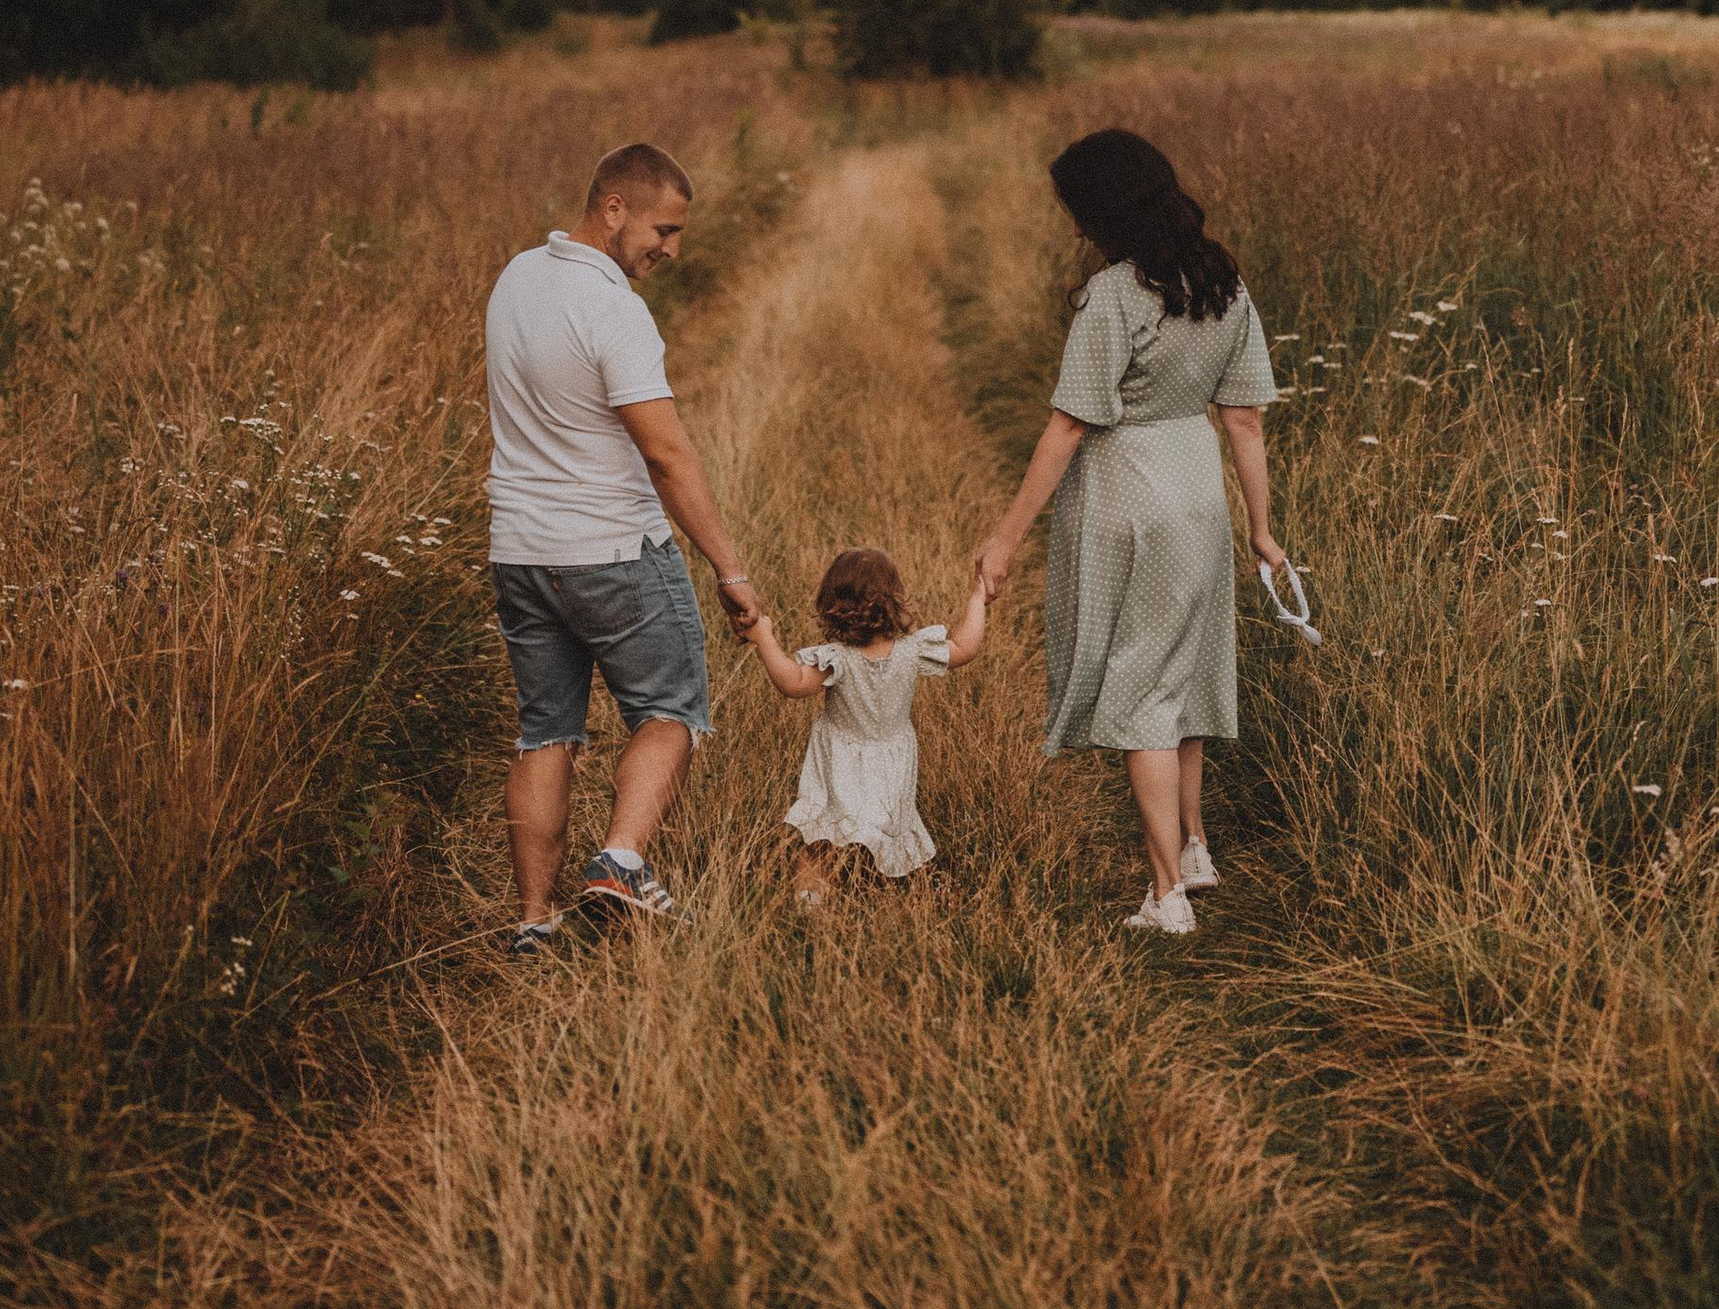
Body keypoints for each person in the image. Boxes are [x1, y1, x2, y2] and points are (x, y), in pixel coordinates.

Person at [975, 129, 1285, 939]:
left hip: (1131, 491)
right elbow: (1245, 420)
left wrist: (1005, 540)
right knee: (1180, 678)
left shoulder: (1114, 295)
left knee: (1142, 691)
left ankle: (1165, 895)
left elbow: (1070, 425)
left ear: (1103, 212)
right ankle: (1193, 849)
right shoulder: (1222, 282)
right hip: (1199, 489)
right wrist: (1261, 529)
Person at [484, 140, 761, 949]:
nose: (671, 250)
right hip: (611, 549)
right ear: (614, 208)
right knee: (671, 711)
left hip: (521, 550)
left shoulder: (516, 279)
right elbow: (666, 455)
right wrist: (730, 569)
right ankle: (622, 862)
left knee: (545, 732)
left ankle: (535, 921)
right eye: (663, 230)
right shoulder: (614, 309)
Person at [735, 545, 992, 894]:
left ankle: (810, 899)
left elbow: (793, 684)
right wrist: (977, 599)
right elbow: (965, 647)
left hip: (841, 759)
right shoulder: (912, 651)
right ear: (895, 600)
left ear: (831, 605)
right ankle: (888, 883)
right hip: (893, 759)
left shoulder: (837, 659)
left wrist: (764, 637)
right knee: (886, 826)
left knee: (823, 834)